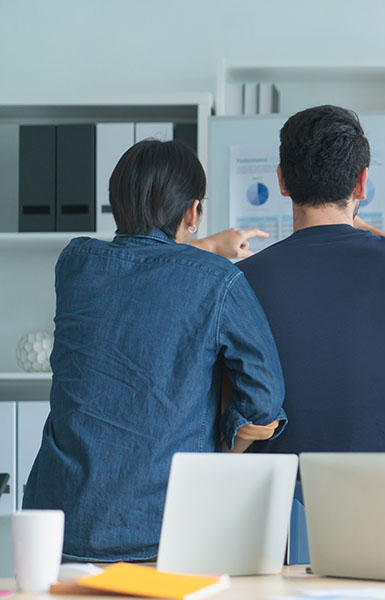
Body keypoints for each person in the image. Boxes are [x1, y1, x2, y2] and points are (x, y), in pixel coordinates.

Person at [23, 139, 287, 562]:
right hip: (163, 531)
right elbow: (264, 400)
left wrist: (202, 247)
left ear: (116, 200)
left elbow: (143, 266)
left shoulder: (75, 262)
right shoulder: (219, 282)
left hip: (60, 525)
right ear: (192, 212)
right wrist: (222, 446)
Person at [238, 105, 385, 554]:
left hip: (274, 515)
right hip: (384, 510)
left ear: (281, 180)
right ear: (362, 183)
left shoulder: (243, 279)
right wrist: (363, 226)